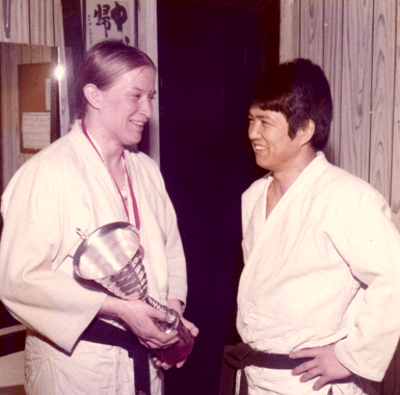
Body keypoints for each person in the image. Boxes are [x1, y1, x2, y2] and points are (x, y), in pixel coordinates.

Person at [0, 40, 198, 395]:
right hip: (77, 369)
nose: (147, 110)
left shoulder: (146, 170)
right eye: (135, 96)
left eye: (151, 97)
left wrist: (170, 317)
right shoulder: (49, 172)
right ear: (95, 95)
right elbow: (16, 280)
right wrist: (118, 309)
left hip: (143, 365)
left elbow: (170, 252)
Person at [219, 58, 400, 395]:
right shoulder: (254, 196)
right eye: (250, 120)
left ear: (304, 130)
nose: (252, 133)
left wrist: (350, 358)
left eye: (265, 122)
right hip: (258, 378)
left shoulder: (349, 198)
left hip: (311, 383)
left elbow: (395, 278)